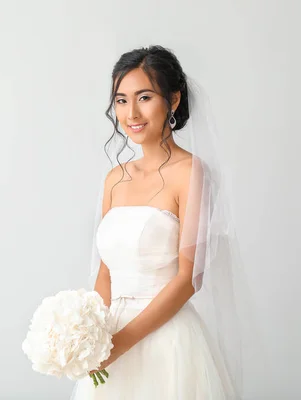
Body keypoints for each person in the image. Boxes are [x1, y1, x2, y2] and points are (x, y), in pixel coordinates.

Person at [70, 45, 261, 400]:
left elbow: (189, 278)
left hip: (167, 342)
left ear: (173, 100)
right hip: (110, 338)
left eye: (144, 97)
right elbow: (106, 273)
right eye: (122, 100)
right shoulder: (115, 178)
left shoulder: (191, 173)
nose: (131, 113)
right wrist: (91, 336)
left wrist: (121, 344)